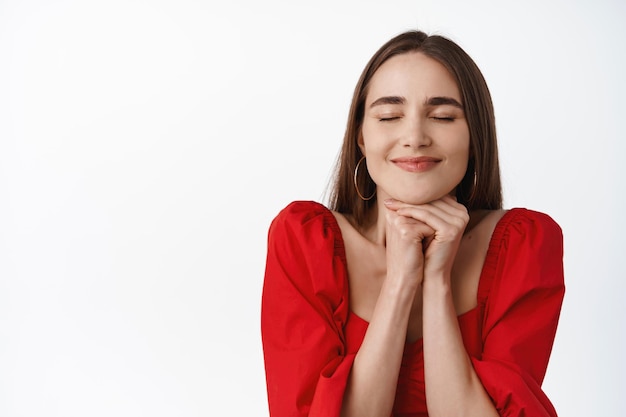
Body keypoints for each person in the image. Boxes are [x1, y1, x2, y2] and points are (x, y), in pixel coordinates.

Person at [261, 30, 564, 417]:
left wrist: (436, 282)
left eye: (442, 116)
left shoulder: (523, 245)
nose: (415, 137)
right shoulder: (304, 241)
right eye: (389, 116)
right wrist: (401, 280)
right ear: (361, 137)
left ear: (475, 136)